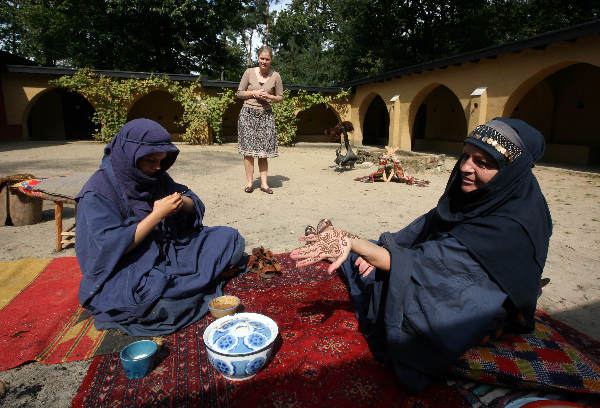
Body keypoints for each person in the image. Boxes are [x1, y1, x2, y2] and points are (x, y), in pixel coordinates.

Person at [291, 118, 552, 390]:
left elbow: (439, 268)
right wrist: (377, 249)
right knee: (373, 258)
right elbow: (427, 226)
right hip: (447, 266)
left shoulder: (512, 224)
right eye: (466, 156)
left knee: (386, 293)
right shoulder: (482, 192)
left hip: (480, 294)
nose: (465, 167)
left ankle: (345, 253)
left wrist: (356, 244)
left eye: (482, 163)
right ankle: (347, 254)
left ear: (511, 171)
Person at [75, 119, 246, 336]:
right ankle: (192, 287)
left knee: (228, 238)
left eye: (161, 161)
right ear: (130, 155)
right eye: (151, 161)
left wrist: (181, 203)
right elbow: (112, 246)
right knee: (158, 304)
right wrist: (157, 216)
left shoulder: (154, 175)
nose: (157, 167)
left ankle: (192, 284)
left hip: (168, 248)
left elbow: (189, 200)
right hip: (129, 265)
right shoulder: (98, 193)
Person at [236, 45, 284, 194]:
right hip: (247, 114)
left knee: (263, 152)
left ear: (271, 60)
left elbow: (281, 98)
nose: (264, 61)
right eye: (262, 58)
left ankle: (264, 184)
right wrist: (254, 93)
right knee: (248, 152)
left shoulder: (276, 76)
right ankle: (250, 183)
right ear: (258, 58)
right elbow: (239, 93)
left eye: (267, 59)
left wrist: (269, 97)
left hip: (266, 116)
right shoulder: (249, 72)